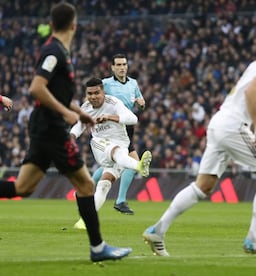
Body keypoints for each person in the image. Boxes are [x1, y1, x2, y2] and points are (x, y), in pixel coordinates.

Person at [142, 25, 256, 257]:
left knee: (203, 185)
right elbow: (251, 92)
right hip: (233, 125)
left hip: (220, 123)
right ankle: (254, 239)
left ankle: (158, 230)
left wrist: (254, 132)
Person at [0, 2, 131, 262]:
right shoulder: (54, 52)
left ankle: (98, 248)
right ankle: (98, 248)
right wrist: (69, 114)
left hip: (44, 126)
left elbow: (55, 92)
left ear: (52, 24)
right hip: (51, 129)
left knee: (23, 187)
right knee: (84, 184)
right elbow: (37, 88)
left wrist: (79, 112)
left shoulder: (58, 51)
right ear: (74, 24)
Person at [72, 77, 152, 229]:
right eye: (90, 94)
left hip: (122, 143)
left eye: (96, 93)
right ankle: (139, 166)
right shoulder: (86, 107)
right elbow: (79, 126)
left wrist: (110, 117)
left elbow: (133, 118)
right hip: (99, 144)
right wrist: (71, 137)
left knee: (104, 185)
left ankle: (85, 221)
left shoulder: (113, 103)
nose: (93, 96)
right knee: (113, 151)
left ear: (103, 91)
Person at [91, 53, 148, 215]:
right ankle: (120, 200)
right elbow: (94, 99)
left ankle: (86, 187)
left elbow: (140, 102)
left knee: (111, 165)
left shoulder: (133, 84)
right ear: (113, 67)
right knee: (132, 161)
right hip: (111, 128)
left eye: (124, 65)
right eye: (119, 65)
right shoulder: (105, 84)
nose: (122, 68)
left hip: (126, 127)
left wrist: (141, 103)